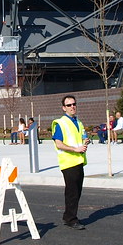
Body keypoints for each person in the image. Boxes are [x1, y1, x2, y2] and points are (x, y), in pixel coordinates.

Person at [50, 95, 89, 230]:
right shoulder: (60, 123)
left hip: (79, 161)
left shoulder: (78, 122)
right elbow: (59, 144)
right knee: (72, 192)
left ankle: (69, 216)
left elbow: (82, 137)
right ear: (63, 108)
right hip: (68, 162)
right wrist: (75, 149)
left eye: (74, 104)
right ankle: (71, 219)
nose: (72, 107)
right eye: (69, 105)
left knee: (77, 191)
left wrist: (85, 143)